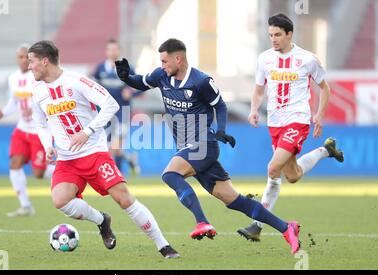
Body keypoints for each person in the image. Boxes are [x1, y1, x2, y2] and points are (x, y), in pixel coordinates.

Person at [115, 38, 301, 254]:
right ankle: (286, 228)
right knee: (234, 201)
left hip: (204, 144)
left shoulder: (201, 81)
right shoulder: (161, 75)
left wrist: (221, 130)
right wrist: (126, 77)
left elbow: (220, 105)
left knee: (170, 175)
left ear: (179, 58)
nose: (163, 65)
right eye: (161, 62)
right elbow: (141, 82)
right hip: (189, 147)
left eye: (165, 61)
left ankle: (202, 222)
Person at [28, 40, 179, 259]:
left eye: (32, 61)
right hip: (67, 159)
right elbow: (41, 124)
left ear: (44, 61)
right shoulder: (37, 91)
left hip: (94, 153)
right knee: (60, 200)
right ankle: (102, 220)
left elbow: (111, 104)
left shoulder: (77, 81)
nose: (29, 66)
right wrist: (47, 146)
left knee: (124, 199)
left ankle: (163, 245)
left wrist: (87, 131)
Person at [237, 13, 344, 241]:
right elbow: (258, 90)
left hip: (297, 120)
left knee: (273, 168)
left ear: (289, 34)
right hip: (275, 123)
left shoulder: (307, 59)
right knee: (292, 175)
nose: (273, 39)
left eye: (277, 35)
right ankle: (327, 150)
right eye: (270, 35)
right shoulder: (264, 59)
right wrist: (254, 110)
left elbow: (325, 88)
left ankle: (257, 225)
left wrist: (320, 114)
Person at [0, 44, 55, 217]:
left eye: (26, 58)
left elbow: (47, 100)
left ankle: (64, 170)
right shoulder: (13, 78)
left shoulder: (37, 76)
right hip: (22, 129)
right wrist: (3, 113)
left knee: (38, 173)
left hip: (38, 130)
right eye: (20, 57)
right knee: (15, 163)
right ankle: (26, 206)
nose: (23, 60)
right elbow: (14, 102)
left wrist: (36, 110)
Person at [93, 39, 140, 175]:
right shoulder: (100, 68)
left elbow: (141, 86)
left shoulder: (127, 68)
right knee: (109, 146)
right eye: (110, 49)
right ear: (106, 52)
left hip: (122, 113)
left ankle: (116, 173)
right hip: (106, 113)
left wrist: (131, 91)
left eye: (115, 49)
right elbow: (92, 86)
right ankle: (130, 159)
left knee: (115, 144)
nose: (112, 52)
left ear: (119, 51)